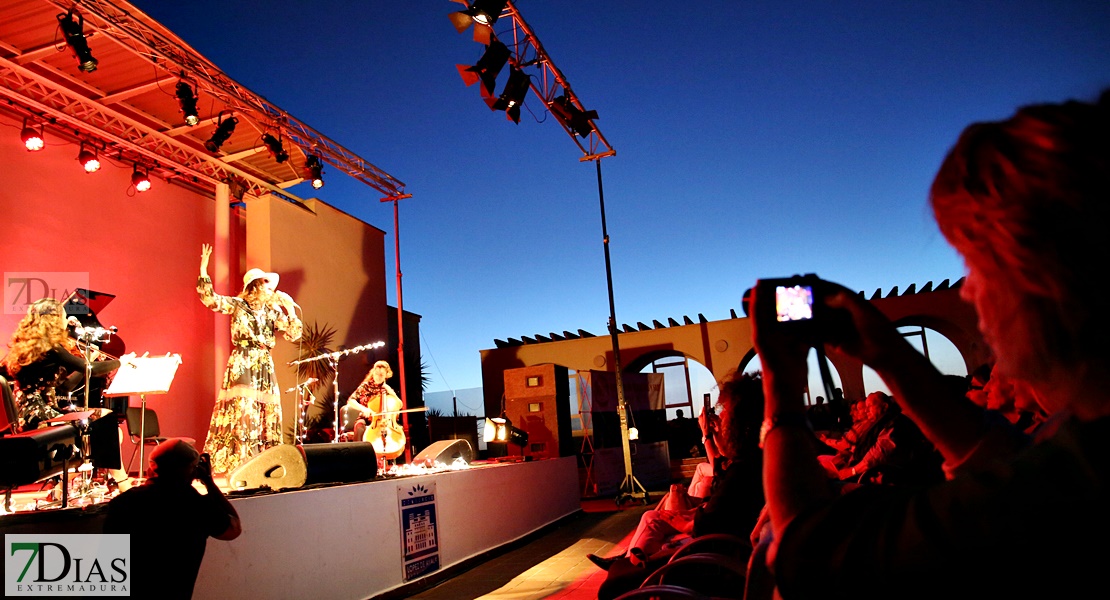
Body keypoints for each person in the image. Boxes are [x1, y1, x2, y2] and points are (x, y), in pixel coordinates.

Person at [750, 89, 1110, 599]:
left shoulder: (1083, 481)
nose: (966, 290)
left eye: (973, 263)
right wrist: (890, 355)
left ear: (1040, 275)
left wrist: (781, 387)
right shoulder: (1077, 450)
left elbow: (810, 556)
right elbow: (1006, 466)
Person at [592, 371, 766, 600]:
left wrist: (677, 520)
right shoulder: (753, 463)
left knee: (615, 583)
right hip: (713, 550)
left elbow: (705, 525)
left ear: (741, 423)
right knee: (655, 519)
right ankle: (632, 559)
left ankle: (634, 563)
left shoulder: (743, 473)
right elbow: (722, 474)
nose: (720, 418)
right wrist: (710, 435)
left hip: (709, 560)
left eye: (724, 413)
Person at [1, 297, 134, 491]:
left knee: (107, 422)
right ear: (54, 320)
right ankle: (122, 484)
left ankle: (61, 488)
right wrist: (121, 362)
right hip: (38, 414)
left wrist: (86, 362)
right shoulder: (51, 347)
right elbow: (92, 370)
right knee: (107, 427)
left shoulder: (33, 347)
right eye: (64, 316)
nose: (68, 319)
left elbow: (66, 387)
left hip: (31, 411)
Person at [197, 244, 303, 474]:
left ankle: (265, 463)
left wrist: (290, 310)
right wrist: (204, 270)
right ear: (254, 286)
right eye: (265, 283)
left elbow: (294, 334)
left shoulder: (273, 312)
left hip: (264, 362)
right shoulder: (239, 305)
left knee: (266, 410)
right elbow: (211, 300)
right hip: (243, 359)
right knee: (243, 409)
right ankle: (240, 464)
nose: (270, 288)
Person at [104, 438, 241, 600]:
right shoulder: (195, 505)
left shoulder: (122, 503)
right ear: (192, 471)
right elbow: (233, 529)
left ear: (150, 469)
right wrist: (209, 483)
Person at [346, 360, 403, 456]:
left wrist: (391, 391)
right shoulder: (366, 385)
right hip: (365, 418)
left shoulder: (386, 389)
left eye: (381, 375)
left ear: (387, 375)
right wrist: (364, 409)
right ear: (373, 373)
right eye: (376, 374)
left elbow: (400, 405)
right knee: (359, 429)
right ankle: (358, 458)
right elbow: (351, 400)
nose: (378, 377)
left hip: (385, 421)